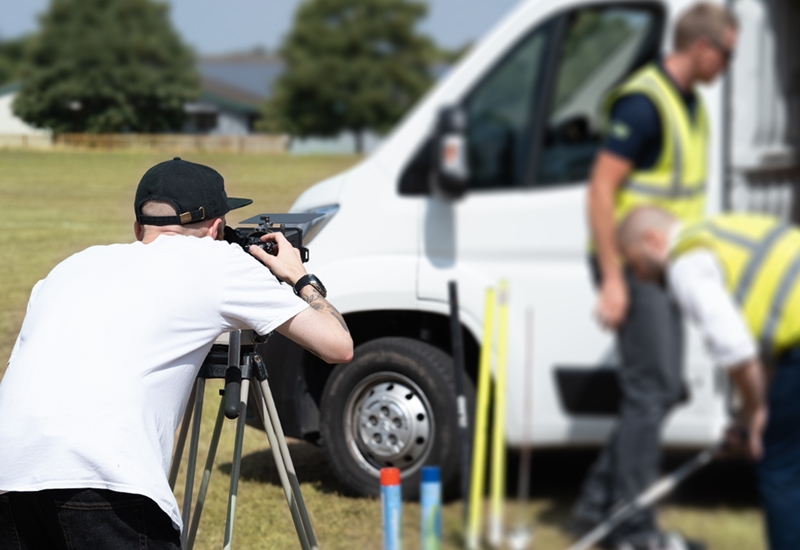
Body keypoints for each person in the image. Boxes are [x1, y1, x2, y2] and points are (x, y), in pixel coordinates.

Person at [0, 157, 353, 549]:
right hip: (104, 480)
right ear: (217, 228)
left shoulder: (69, 267)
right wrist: (298, 277)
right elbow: (337, 345)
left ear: (139, 228)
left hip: (9, 473)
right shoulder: (219, 261)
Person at [576, 3, 739, 549]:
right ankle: (632, 529)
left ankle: (597, 505)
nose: (730, 65)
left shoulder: (690, 105)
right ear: (702, 48)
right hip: (631, 266)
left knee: (661, 390)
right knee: (653, 391)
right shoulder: (646, 104)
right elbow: (601, 189)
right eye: (728, 54)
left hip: (664, 266)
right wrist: (613, 280)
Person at [616, 205, 800, 550]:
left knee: (781, 473)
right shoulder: (721, 231)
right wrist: (748, 414)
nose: (638, 277)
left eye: (634, 263)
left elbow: (736, 349)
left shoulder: (687, 264)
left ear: (653, 241)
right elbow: (775, 336)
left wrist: (757, 409)